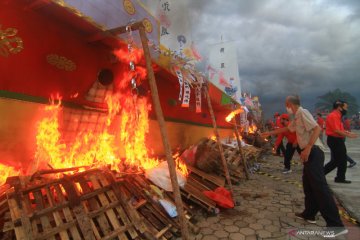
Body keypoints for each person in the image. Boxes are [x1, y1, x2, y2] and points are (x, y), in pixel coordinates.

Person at [261, 95, 348, 237]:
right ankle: (309, 214)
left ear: (290, 104)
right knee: (308, 184)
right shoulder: (296, 117)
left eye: (286, 104)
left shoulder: (303, 112)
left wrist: (307, 147)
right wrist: (269, 133)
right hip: (309, 153)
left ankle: (336, 225)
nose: (286, 107)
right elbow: (287, 130)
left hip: (314, 152)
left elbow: (317, 129)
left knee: (320, 187)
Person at [324, 100, 358, 183]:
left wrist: (347, 133)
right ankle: (320, 174)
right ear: (339, 107)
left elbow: (339, 129)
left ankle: (340, 178)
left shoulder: (337, 115)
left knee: (340, 160)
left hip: (337, 139)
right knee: (337, 160)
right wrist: (348, 135)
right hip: (335, 140)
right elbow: (336, 130)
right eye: (345, 107)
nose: (347, 109)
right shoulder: (334, 116)